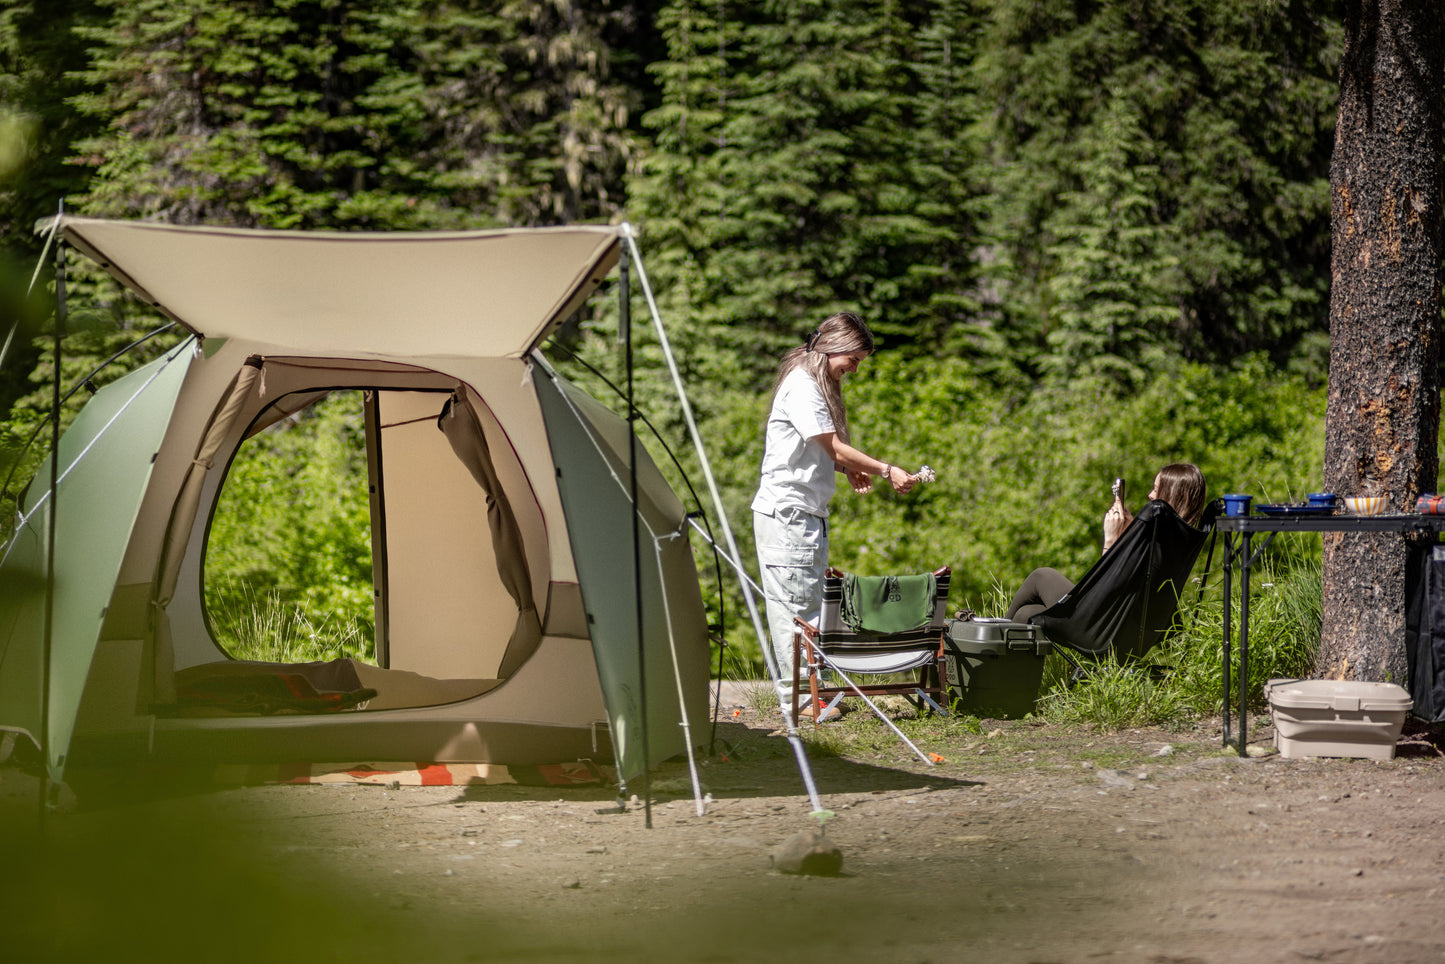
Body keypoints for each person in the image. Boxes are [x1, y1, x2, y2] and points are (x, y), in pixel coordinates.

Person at [751, 312, 923, 713]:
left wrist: (847, 468)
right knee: (796, 609)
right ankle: (802, 699)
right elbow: (830, 445)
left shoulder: (810, 383)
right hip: (789, 516)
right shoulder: (803, 387)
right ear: (835, 348)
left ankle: (815, 691)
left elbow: (815, 452)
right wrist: (884, 468)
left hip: (804, 514)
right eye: (855, 359)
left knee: (810, 603)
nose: (855, 368)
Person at [1005, 462, 1207, 623]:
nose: (1150, 495)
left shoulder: (1154, 540)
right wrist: (1129, 536)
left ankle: (991, 634)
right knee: (1027, 614)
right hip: (1131, 634)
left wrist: (1110, 539)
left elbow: (1104, 589)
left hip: (1097, 626)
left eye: (1156, 490)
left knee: (1042, 576)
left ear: (1169, 496)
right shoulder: (1178, 543)